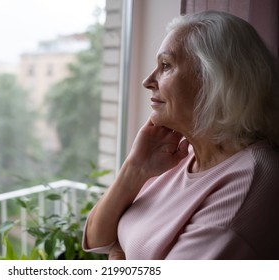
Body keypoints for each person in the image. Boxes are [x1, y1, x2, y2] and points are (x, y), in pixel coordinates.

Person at [83, 10, 279, 260]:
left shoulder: (246, 187)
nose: (147, 81)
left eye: (165, 66)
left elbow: (114, 247)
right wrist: (135, 167)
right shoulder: (181, 153)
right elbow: (98, 238)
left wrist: (119, 255)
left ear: (214, 80)